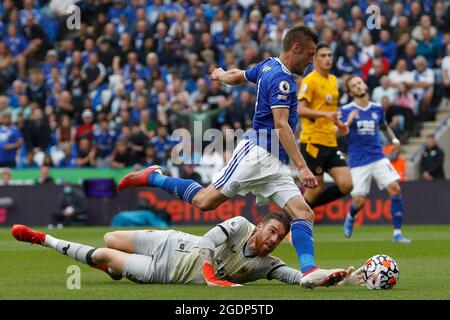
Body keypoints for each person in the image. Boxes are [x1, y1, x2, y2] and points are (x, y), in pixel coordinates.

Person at [118, 26, 349, 288]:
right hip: (257, 155)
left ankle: (309, 271)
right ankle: (154, 177)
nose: (311, 60)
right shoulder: (282, 80)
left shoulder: (267, 66)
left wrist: (221, 76)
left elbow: (241, 75)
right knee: (205, 201)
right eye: (309, 54)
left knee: (304, 213)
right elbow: (281, 125)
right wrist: (303, 167)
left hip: (274, 163)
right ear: (295, 48)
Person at [11, 212, 363, 287]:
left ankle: (43, 239)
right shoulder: (240, 224)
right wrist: (210, 275)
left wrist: (339, 278)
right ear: (260, 226)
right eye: (271, 230)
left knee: (101, 255)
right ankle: (116, 270)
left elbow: (300, 279)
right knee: (109, 239)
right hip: (172, 241)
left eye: (278, 237)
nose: (272, 239)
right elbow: (209, 241)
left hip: (164, 273)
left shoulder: (267, 266)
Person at [340, 75, 411, 244]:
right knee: (359, 201)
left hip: (378, 157)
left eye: (359, 82)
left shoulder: (377, 108)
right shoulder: (345, 110)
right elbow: (338, 134)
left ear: (364, 85)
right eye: (354, 85)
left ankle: (397, 233)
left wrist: (394, 140)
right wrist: (347, 122)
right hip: (357, 161)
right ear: (350, 91)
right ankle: (351, 216)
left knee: (395, 188)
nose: (358, 86)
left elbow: (384, 127)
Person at [297, 43, 353, 209]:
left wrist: (339, 124)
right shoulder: (310, 80)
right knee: (316, 188)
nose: (327, 59)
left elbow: (330, 110)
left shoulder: (334, 80)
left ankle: (303, 211)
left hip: (330, 141)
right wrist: (325, 115)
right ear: (314, 59)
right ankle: (291, 220)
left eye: (329, 55)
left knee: (347, 184)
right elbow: (300, 109)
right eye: (323, 55)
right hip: (313, 142)